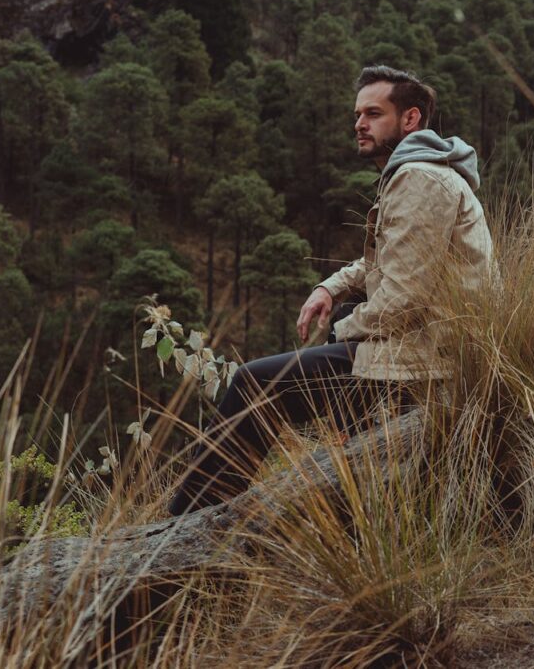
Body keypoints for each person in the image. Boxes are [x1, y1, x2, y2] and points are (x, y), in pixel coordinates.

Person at [168, 65, 494, 515]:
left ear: (410, 119)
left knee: (257, 383)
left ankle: (187, 524)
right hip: (424, 347)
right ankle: (362, 506)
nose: (359, 123)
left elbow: (404, 297)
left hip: (426, 358)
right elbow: (387, 260)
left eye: (374, 113)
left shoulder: (419, 180)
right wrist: (330, 288)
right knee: (338, 331)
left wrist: (343, 334)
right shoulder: (421, 172)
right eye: (357, 114)